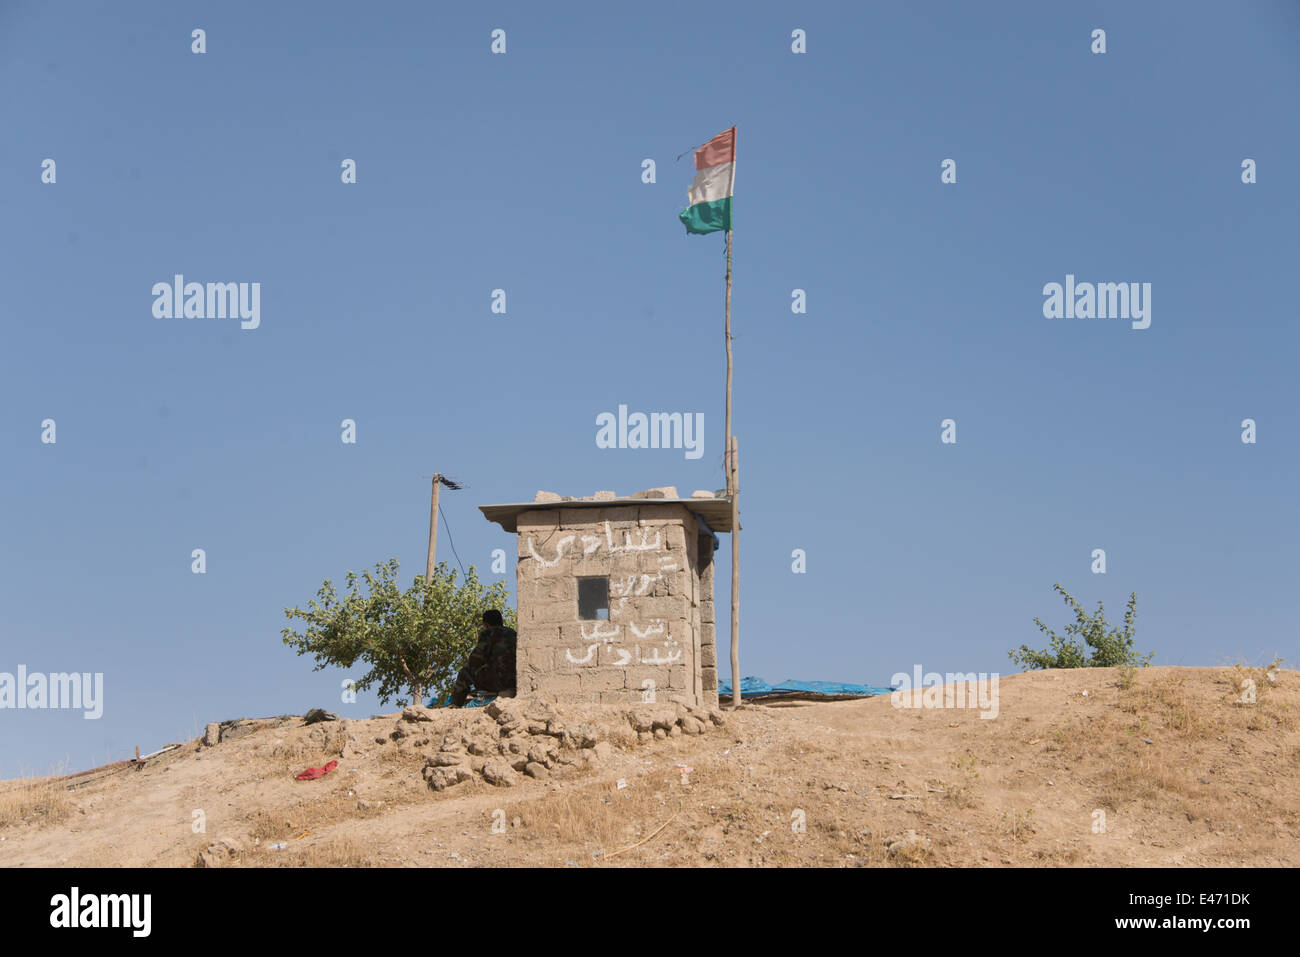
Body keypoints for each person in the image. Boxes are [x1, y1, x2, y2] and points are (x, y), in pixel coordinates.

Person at [449, 609, 517, 708]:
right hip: (515, 680)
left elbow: (475, 659)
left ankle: (455, 705)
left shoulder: (489, 632)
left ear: (486, 624)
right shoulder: (513, 633)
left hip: (499, 680)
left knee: (465, 672)